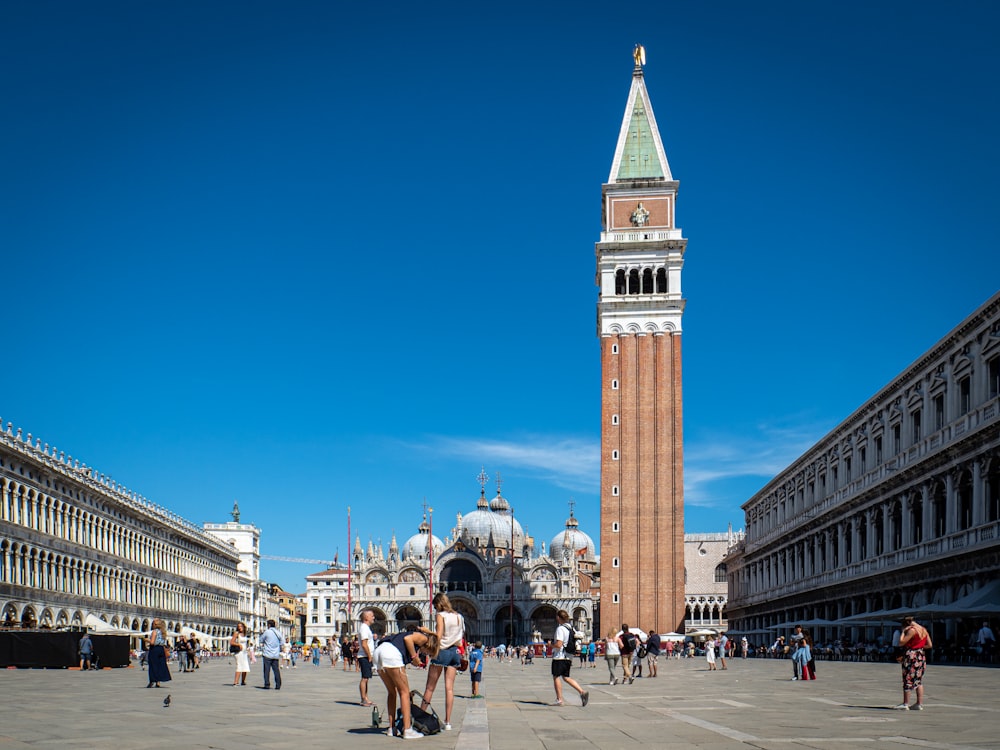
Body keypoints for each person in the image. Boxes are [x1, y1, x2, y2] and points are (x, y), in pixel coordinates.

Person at [373, 628, 440, 739]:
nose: (426, 654)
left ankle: (392, 728)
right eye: (429, 653)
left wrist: (414, 660)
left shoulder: (417, 642)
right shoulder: (424, 638)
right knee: (404, 693)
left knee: (392, 692)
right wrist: (415, 657)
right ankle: (408, 730)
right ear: (430, 646)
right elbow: (407, 639)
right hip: (391, 653)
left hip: (379, 652)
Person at [421, 593, 465, 731]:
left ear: (439, 604)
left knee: (430, 688)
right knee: (449, 688)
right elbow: (461, 636)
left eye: (435, 606)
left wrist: (426, 631)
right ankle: (448, 722)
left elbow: (438, 636)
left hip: (442, 652)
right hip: (455, 654)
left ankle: (420, 716)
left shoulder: (441, 616)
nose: (435, 609)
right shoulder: (459, 617)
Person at [550, 610, 588, 707]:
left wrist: (550, 645)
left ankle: (559, 699)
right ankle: (582, 692)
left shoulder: (560, 629)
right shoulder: (571, 628)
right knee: (566, 677)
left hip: (560, 657)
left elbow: (559, 644)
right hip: (569, 656)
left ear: (558, 617)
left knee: (556, 676)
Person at [895, 616, 932, 710]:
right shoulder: (923, 630)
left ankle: (905, 703)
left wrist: (903, 632)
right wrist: (919, 647)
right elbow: (929, 645)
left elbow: (901, 642)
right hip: (920, 656)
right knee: (918, 680)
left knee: (908, 677)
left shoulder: (912, 630)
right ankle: (919, 704)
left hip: (911, 656)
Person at [145, 618, 172, 688]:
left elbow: (152, 642)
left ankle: (152, 681)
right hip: (161, 649)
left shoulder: (154, 632)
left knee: (153, 665)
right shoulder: (163, 632)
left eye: (153, 623)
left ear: (155, 624)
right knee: (160, 665)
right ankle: (158, 681)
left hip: (154, 649)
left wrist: (146, 640)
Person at [358, 609, 376, 707]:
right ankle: (363, 699)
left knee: (367, 678)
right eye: (372, 616)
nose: (373, 617)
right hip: (364, 656)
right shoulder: (364, 628)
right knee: (364, 678)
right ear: (366, 618)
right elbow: (364, 644)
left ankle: (366, 698)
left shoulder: (366, 628)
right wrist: (369, 656)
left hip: (366, 655)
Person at [259, 619, 284, 690]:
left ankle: (267, 684)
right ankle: (278, 684)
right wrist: (276, 646)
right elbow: (282, 642)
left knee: (267, 670)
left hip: (267, 654)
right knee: (276, 670)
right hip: (275, 655)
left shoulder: (267, 632)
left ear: (269, 625)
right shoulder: (278, 632)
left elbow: (261, 640)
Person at [230, 621, 250, 686]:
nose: (240, 628)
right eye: (238, 627)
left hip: (244, 652)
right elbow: (231, 642)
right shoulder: (236, 633)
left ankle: (243, 681)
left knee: (245, 666)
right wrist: (238, 644)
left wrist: (248, 649)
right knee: (239, 666)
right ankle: (235, 682)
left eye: (241, 626)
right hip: (239, 652)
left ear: (244, 627)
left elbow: (245, 643)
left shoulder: (245, 634)